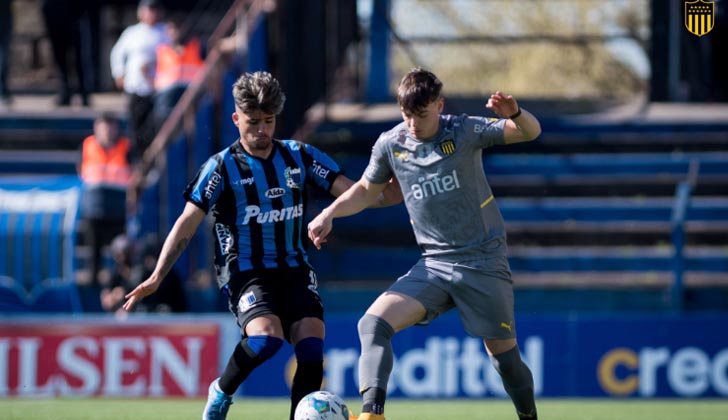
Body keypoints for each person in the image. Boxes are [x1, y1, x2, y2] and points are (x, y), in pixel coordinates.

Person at [122, 71, 401, 420]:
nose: (261, 130)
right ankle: (221, 392)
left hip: (294, 266)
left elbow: (356, 193)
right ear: (236, 118)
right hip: (245, 270)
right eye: (253, 122)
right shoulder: (221, 168)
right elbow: (186, 223)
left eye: (268, 121)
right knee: (266, 338)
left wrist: (398, 190)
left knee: (312, 344)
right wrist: (157, 276)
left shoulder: (300, 157)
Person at [308, 67, 542, 420]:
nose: (413, 123)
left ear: (439, 105)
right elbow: (364, 192)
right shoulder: (392, 144)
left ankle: (528, 416)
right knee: (372, 324)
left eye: (421, 113)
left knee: (505, 360)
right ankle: (372, 415)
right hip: (433, 264)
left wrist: (516, 114)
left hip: (482, 261)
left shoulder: (463, 130)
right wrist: (330, 214)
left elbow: (530, 132)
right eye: (406, 114)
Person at [78, 112, 132, 287]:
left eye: (111, 127)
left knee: (120, 251)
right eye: (104, 127)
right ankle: (93, 283)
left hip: (118, 207)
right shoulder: (88, 145)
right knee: (94, 251)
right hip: (94, 208)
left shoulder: (126, 146)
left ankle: (119, 285)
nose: (107, 132)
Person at [110, 0, 168, 160]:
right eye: (149, 9)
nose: (152, 14)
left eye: (155, 9)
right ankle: (137, 161)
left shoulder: (166, 32)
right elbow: (117, 53)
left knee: (155, 127)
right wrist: (119, 74)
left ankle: (154, 161)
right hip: (136, 87)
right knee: (135, 127)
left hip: (158, 89)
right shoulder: (132, 32)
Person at [152, 17, 204, 131]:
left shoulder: (198, 47)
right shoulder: (161, 50)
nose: (175, 32)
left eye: (178, 28)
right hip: (166, 96)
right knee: (165, 127)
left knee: (193, 126)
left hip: (190, 92)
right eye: (171, 29)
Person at [41, 0, 93, 106]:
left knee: (80, 58)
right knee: (60, 59)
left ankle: (84, 92)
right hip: (55, 17)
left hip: (76, 17)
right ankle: (65, 92)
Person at [0, 0, 13, 106]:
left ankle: (3, 89)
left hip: (4, 12)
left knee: (4, 54)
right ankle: (3, 90)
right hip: (5, 13)